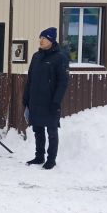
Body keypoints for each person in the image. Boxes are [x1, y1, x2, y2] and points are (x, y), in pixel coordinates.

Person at [23, 27, 69, 170]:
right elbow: (30, 79)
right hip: (35, 100)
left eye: (45, 38)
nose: (41, 40)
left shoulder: (60, 58)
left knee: (52, 132)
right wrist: (26, 99)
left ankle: (51, 159)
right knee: (38, 130)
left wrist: (56, 101)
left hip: (50, 102)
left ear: (52, 40)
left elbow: (63, 82)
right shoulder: (36, 56)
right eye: (41, 38)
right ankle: (39, 156)